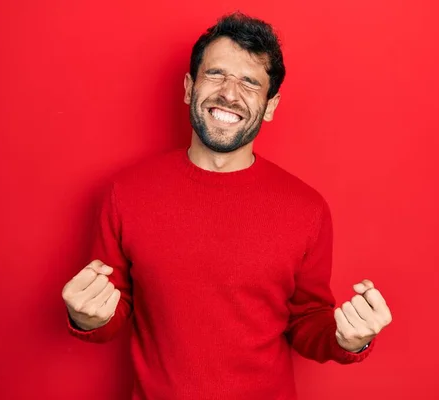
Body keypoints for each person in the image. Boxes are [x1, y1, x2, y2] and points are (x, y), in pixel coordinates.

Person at [62, 12, 392, 400]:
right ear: (189, 87)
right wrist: (84, 318)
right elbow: (112, 309)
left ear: (270, 105)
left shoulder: (307, 208)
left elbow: (307, 322)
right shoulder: (126, 192)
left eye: (250, 82)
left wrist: (349, 340)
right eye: (216, 74)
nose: (230, 93)